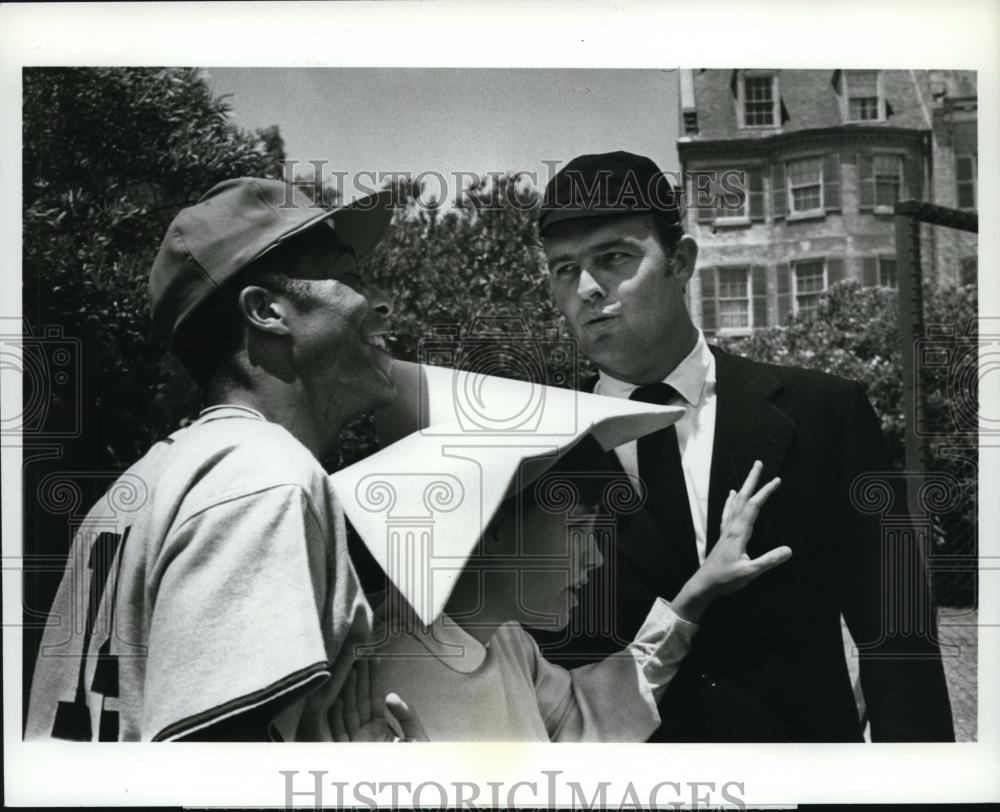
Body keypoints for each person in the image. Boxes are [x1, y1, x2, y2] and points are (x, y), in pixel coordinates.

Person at [530, 150, 954, 742]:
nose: (588, 288)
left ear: (681, 261)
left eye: (614, 257)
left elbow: (898, 636)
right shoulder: (533, 448)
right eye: (563, 268)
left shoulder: (823, 414)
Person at [24, 177, 422, 742]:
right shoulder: (264, 473)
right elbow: (216, 772)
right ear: (266, 310)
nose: (379, 300)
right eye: (351, 276)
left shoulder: (141, 484)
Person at [331, 433, 789, 742]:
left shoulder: (508, 641)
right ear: (491, 524)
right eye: (579, 529)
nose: (595, 557)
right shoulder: (370, 672)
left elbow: (583, 718)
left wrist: (696, 594)